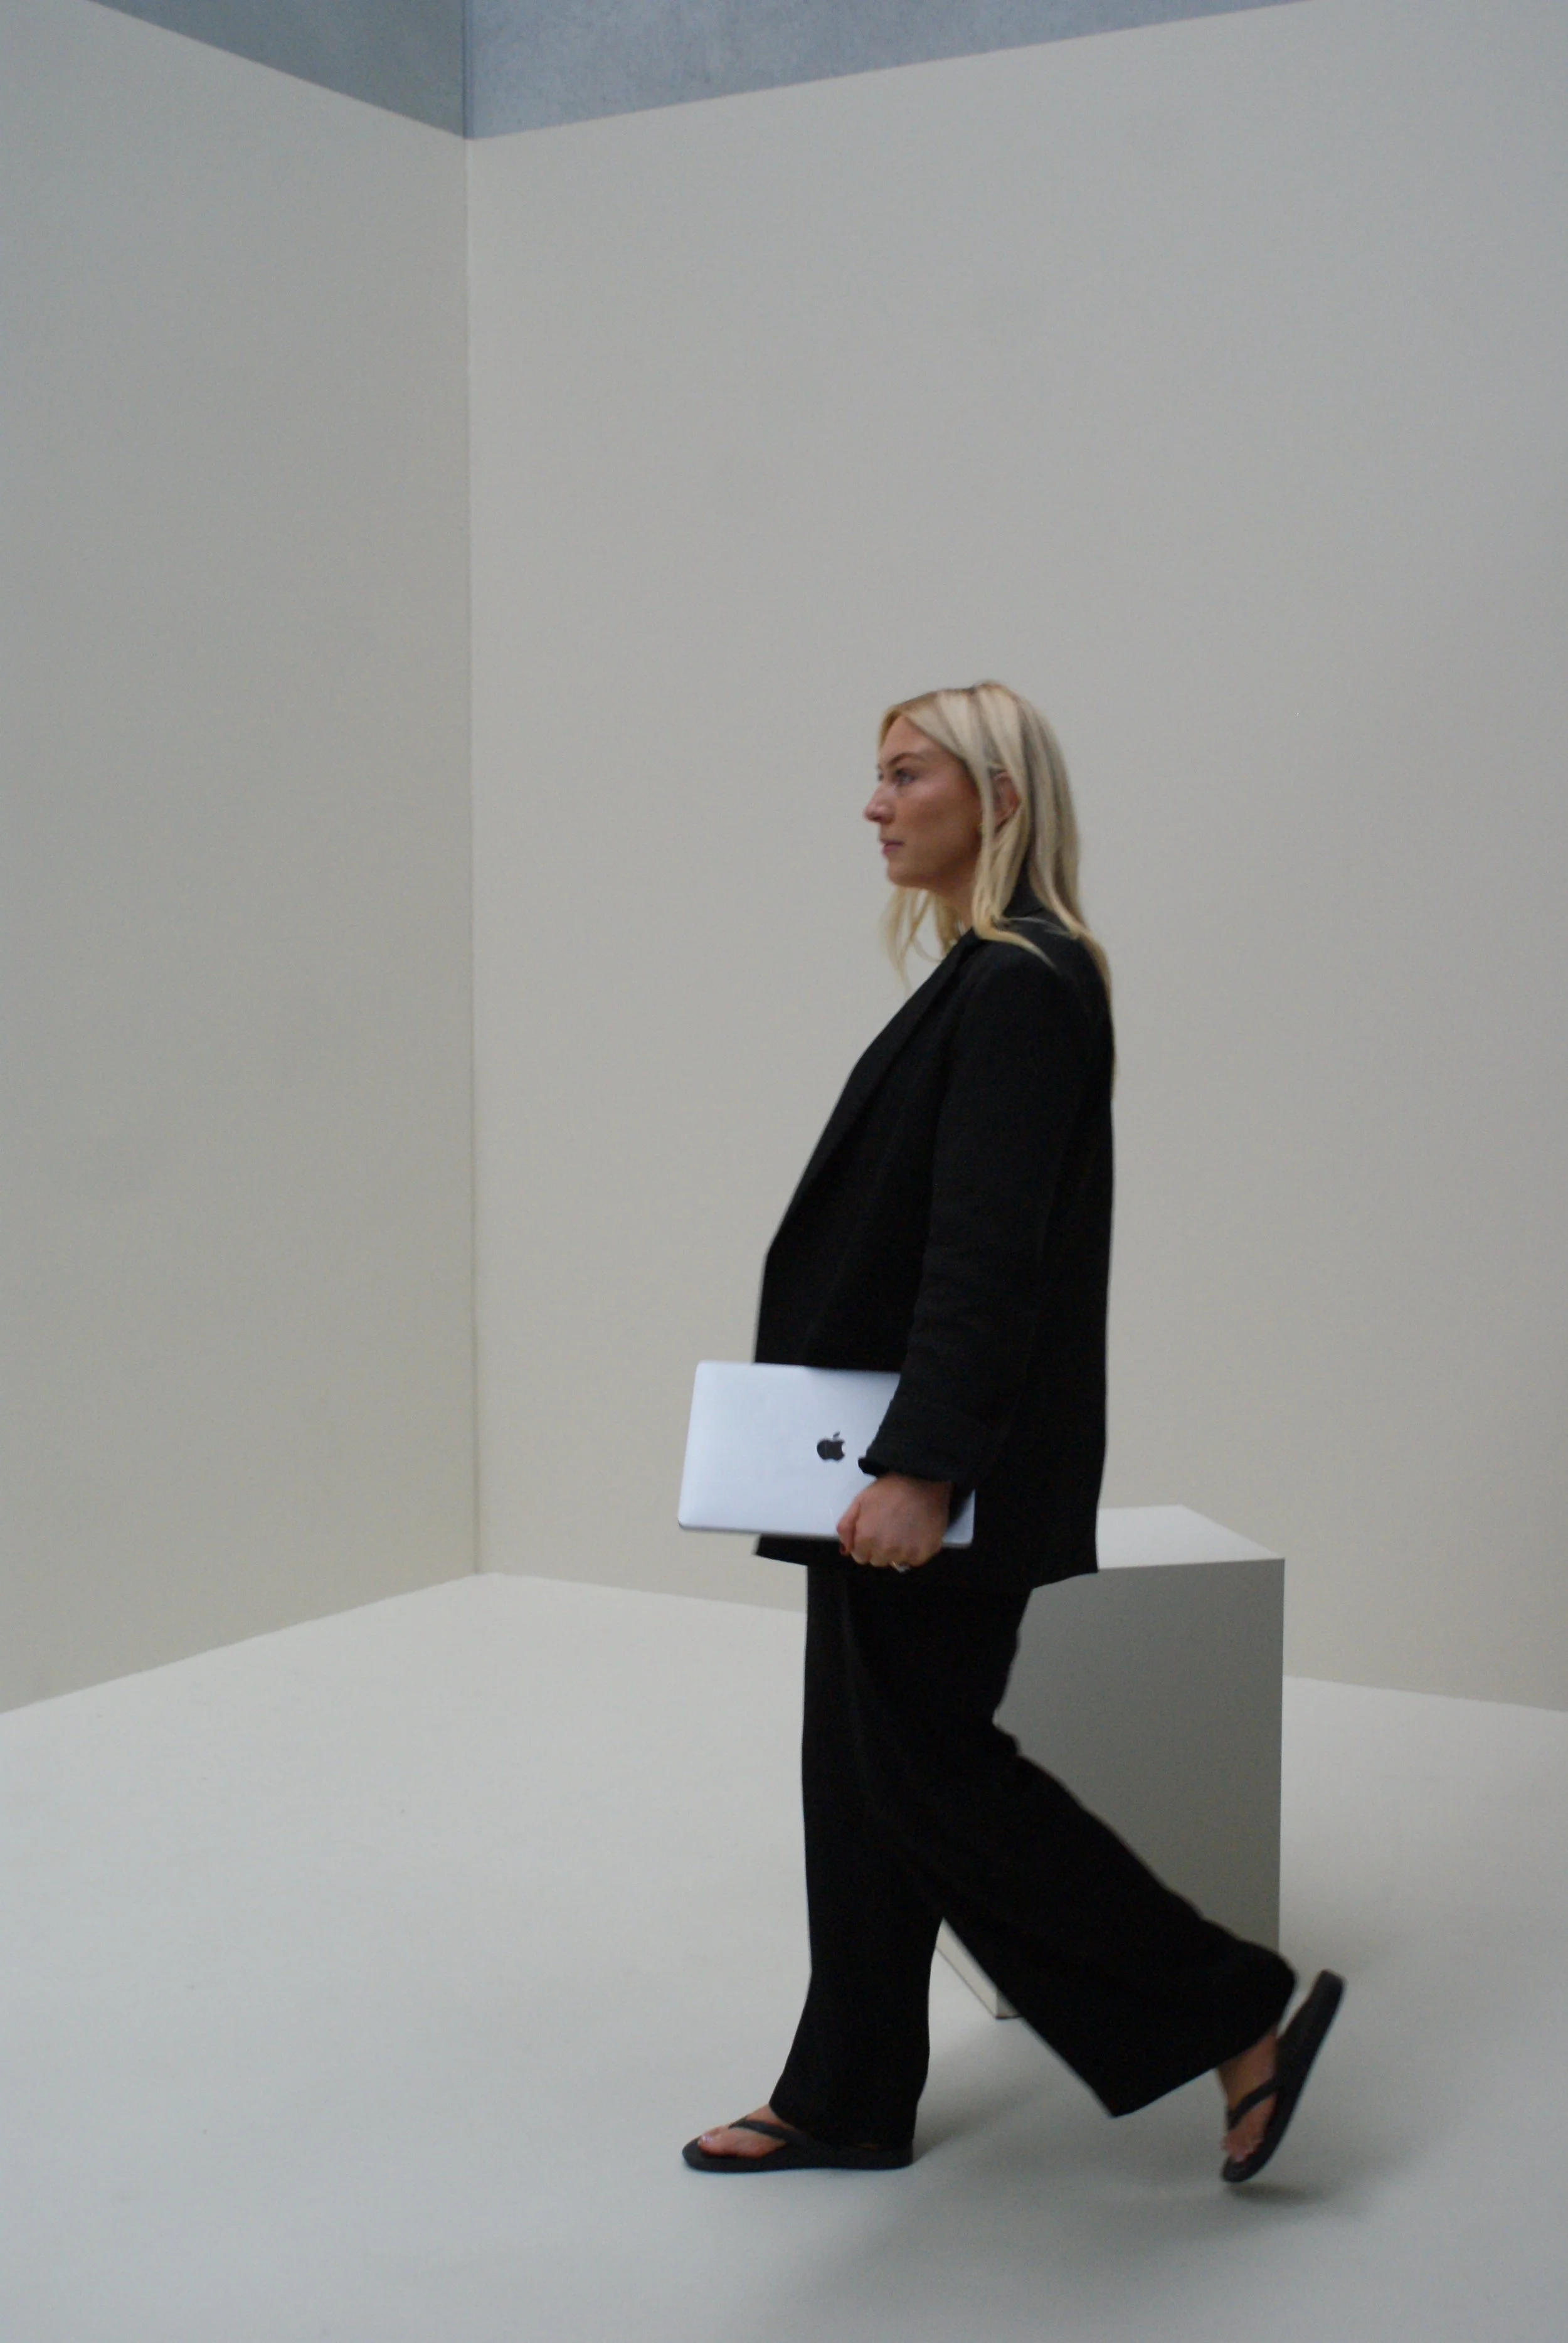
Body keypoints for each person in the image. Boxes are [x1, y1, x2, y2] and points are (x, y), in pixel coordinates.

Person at [683, 679, 1341, 2185]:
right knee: (861, 1783)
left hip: (927, 1476)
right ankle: (845, 2091)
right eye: (876, 775)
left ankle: (1236, 2009)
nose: (873, 803)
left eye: (905, 773)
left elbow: (989, 1255)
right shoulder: (983, 980)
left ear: (997, 797)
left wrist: (924, 1468)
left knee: (928, 1780)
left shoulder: (1023, 984)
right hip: (880, 1467)